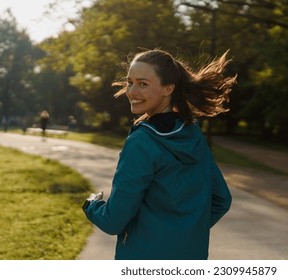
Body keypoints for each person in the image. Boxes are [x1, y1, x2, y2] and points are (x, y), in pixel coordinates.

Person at [82, 49, 236, 260]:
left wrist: (91, 205)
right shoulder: (192, 133)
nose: (131, 92)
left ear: (168, 88)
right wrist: (180, 234)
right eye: (130, 82)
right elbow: (221, 199)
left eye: (143, 84)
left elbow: (113, 221)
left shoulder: (141, 142)